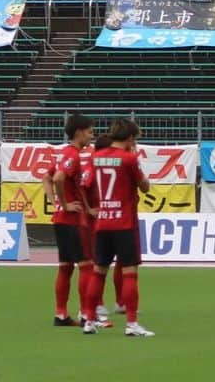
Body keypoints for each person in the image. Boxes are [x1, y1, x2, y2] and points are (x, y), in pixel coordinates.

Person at [80, 118, 155, 337]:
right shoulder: (129, 159)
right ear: (131, 138)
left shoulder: (95, 157)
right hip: (124, 221)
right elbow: (145, 187)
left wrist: (91, 208)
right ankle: (131, 324)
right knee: (130, 272)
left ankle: (89, 320)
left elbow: (84, 184)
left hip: (103, 220)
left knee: (98, 272)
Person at [45, 113, 94, 326]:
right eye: (89, 132)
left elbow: (46, 177)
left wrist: (55, 202)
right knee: (86, 266)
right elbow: (57, 178)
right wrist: (64, 204)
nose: (91, 136)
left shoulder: (63, 154)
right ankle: (85, 314)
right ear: (79, 132)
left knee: (65, 267)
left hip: (61, 219)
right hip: (73, 219)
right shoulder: (73, 156)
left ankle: (61, 314)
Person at [79, 133, 125, 325]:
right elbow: (82, 185)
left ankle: (121, 301)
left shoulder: (116, 164)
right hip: (96, 222)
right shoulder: (93, 165)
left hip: (114, 218)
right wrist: (89, 209)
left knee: (121, 260)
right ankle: (96, 304)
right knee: (98, 264)